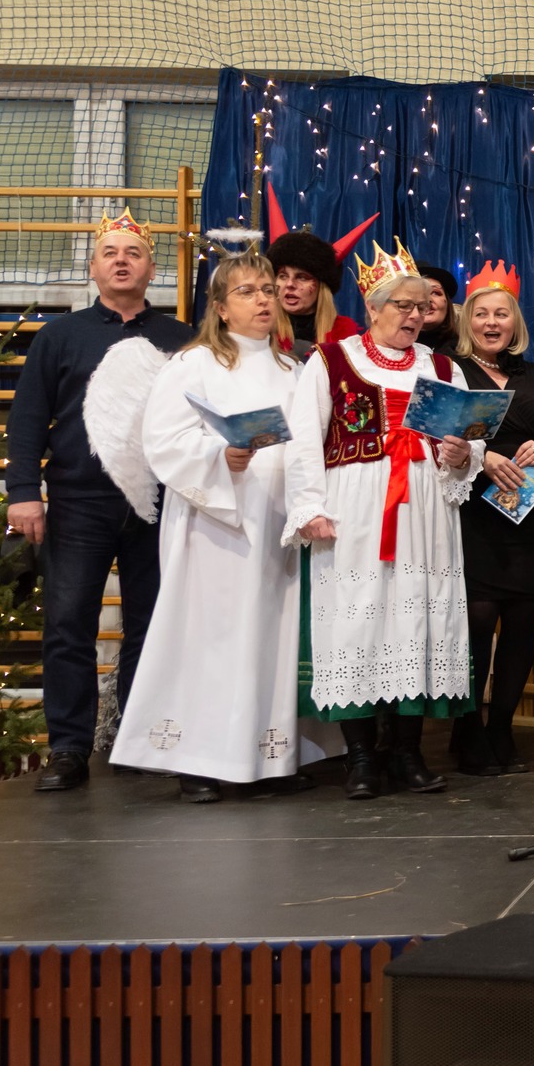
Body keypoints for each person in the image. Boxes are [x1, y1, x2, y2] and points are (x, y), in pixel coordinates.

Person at [108, 254, 340, 799]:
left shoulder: (295, 369)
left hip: (278, 521)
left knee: (273, 637)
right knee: (211, 636)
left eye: (268, 290)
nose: (263, 300)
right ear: (219, 307)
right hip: (216, 520)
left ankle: (268, 757)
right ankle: (199, 760)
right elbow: (163, 439)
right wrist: (220, 456)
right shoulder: (194, 364)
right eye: (247, 292)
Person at [283, 241, 482, 799]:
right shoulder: (331, 360)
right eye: (404, 305)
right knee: (358, 622)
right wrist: (310, 508)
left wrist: (462, 455)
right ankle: (361, 758)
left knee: (417, 621)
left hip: (425, 506)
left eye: (423, 307)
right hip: (356, 507)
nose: (416, 315)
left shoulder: (441, 366)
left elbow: (469, 439)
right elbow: (303, 441)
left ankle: (407, 754)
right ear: (373, 307)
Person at [6, 209, 192, 793]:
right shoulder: (59, 337)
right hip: (78, 501)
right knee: (68, 624)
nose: (121, 261)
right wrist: (22, 493)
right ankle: (68, 747)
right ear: (93, 268)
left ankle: (136, 741)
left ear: (152, 269)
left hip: (160, 504)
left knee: (151, 624)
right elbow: (27, 418)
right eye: (110, 253)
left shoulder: (182, 340)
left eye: (133, 253)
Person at [450, 262, 534, 775]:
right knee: (476, 624)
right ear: (467, 320)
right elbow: (437, 433)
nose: (491, 323)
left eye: (501, 314)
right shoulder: (451, 370)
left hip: (532, 515)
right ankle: (467, 729)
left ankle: (502, 729)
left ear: (516, 322)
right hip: (475, 511)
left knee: (521, 625)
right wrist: (482, 455)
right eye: (482, 314)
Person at [269, 229, 363, 359]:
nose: (290, 284)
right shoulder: (262, 332)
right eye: (283, 276)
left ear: (322, 287)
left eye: (302, 277)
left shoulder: (347, 339)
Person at [418, 266, 460, 355]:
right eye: (418, 293)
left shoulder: (464, 349)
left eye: (435, 293)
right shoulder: (390, 348)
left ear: (447, 303)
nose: (428, 300)